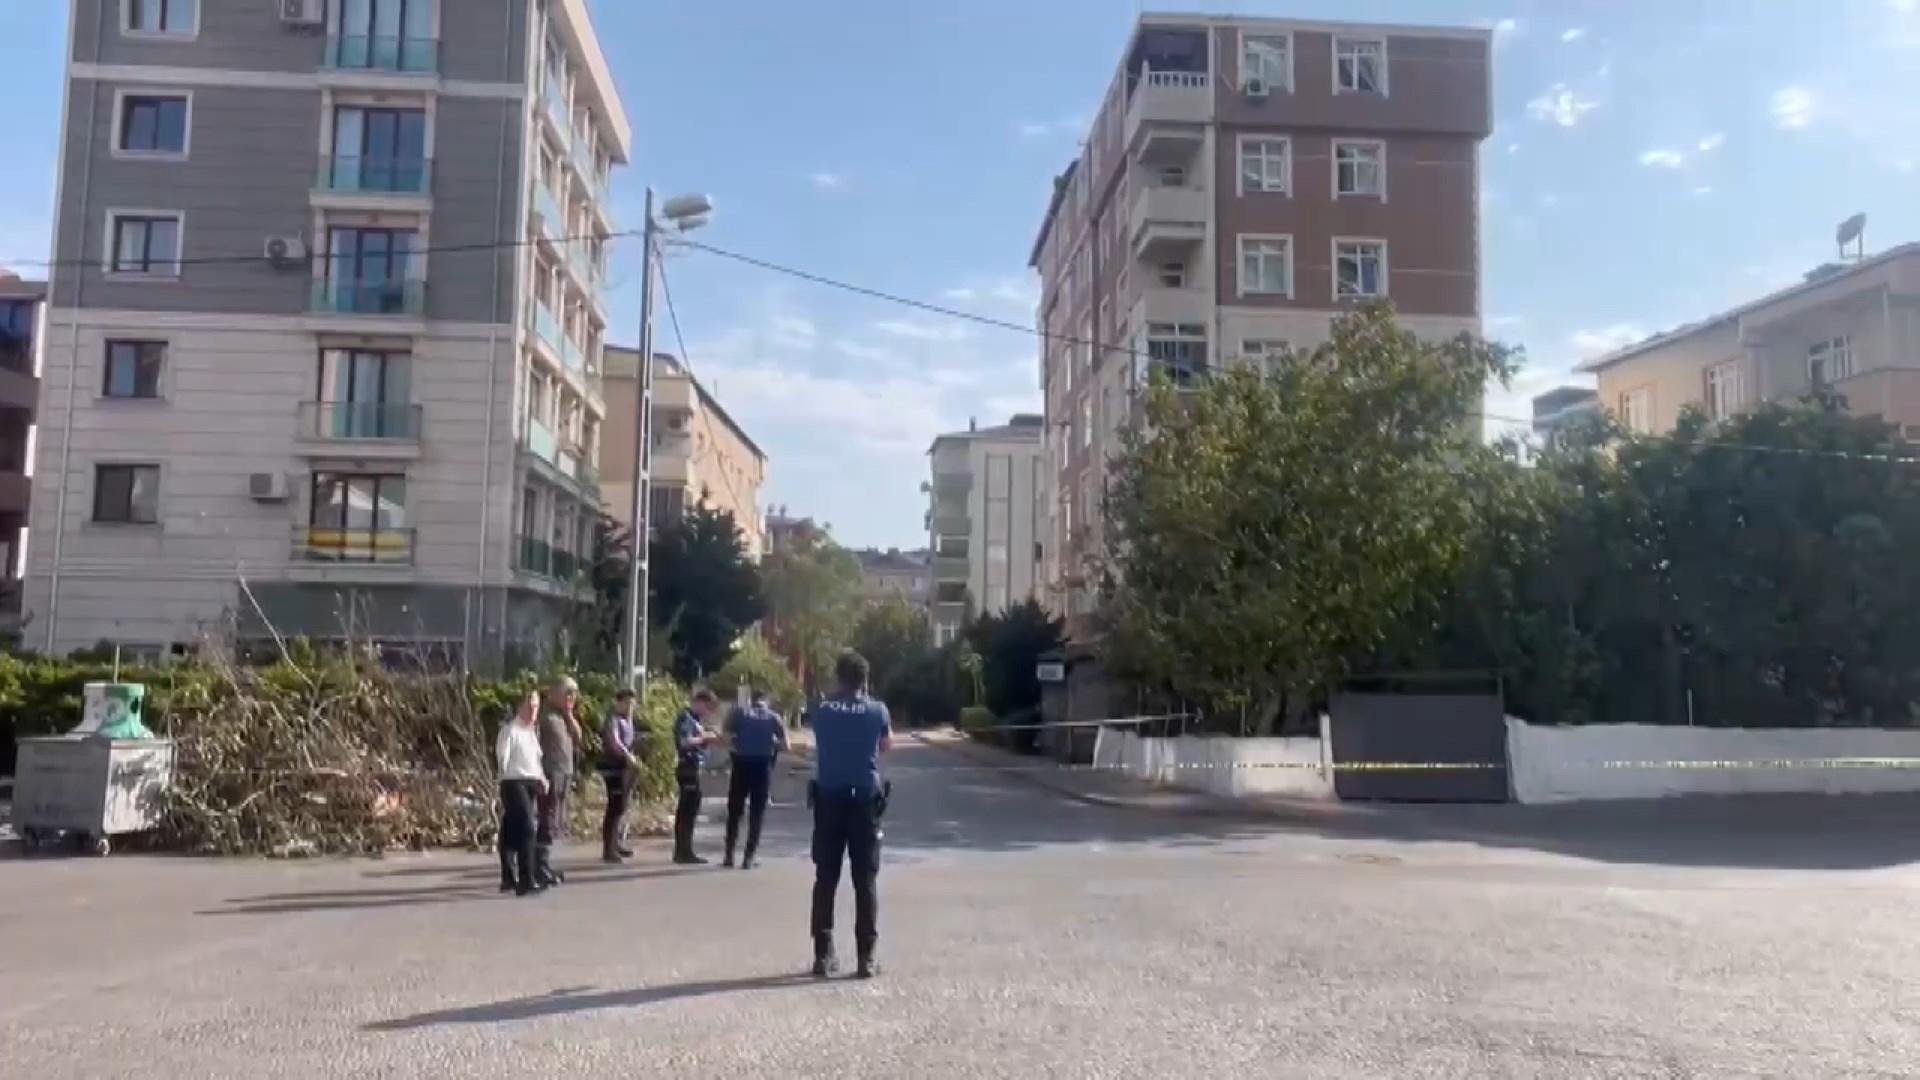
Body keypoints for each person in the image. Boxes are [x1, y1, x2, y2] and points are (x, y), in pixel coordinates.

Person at [807, 651, 892, 979]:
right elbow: (886, 745)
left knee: (825, 878)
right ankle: (866, 958)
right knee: (865, 880)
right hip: (864, 801)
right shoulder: (877, 710)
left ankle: (823, 954)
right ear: (864, 680)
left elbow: (818, 738)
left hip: (829, 799)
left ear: (838, 678)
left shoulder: (821, 709)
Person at [724, 690, 789, 869]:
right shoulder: (774, 717)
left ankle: (729, 855)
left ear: (751, 699)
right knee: (757, 813)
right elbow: (786, 745)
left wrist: (737, 744)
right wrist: (771, 742)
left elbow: (726, 738)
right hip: (762, 767)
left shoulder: (738, 714)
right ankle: (748, 857)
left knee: (734, 811)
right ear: (766, 700)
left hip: (740, 765)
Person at [495, 691, 547, 896]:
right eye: (530, 706)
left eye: (536, 707)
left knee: (511, 830)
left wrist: (542, 778)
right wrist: (502, 775)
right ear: (520, 707)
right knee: (527, 828)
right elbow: (502, 756)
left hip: (530, 782)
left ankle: (508, 877)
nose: (534, 711)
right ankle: (527, 879)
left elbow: (536, 759)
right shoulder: (510, 730)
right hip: (513, 782)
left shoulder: (531, 732)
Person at [535, 676, 583, 886]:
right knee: (546, 819)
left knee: (554, 821)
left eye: (574, 694)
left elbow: (579, 737)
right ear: (554, 693)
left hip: (564, 772)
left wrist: (569, 714)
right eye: (567, 693)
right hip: (549, 772)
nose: (571, 697)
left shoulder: (564, 716)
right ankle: (539, 865)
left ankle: (544, 863)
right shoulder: (544, 716)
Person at [672, 688, 722, 865]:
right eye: (707, 707)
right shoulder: (686, 718)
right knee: (687, 811)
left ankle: (685, 850)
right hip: (687, 767)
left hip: (693, 767)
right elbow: (684, 741)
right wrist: (704, 738)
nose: (708, 712)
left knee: (690, 810)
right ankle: (683, 852)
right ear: (699, 702)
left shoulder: (695, 720)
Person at [597, 688, 641, 863]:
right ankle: (608, 849)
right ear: (618, 703)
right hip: (612, 767)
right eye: (626, 703)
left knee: (621, 805)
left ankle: (616, 843)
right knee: (614, 807)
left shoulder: (627, 720)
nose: (629, 707)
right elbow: (614, 741)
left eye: (632, 704)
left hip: (623, 768)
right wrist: (627, 755)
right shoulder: (612, 719)